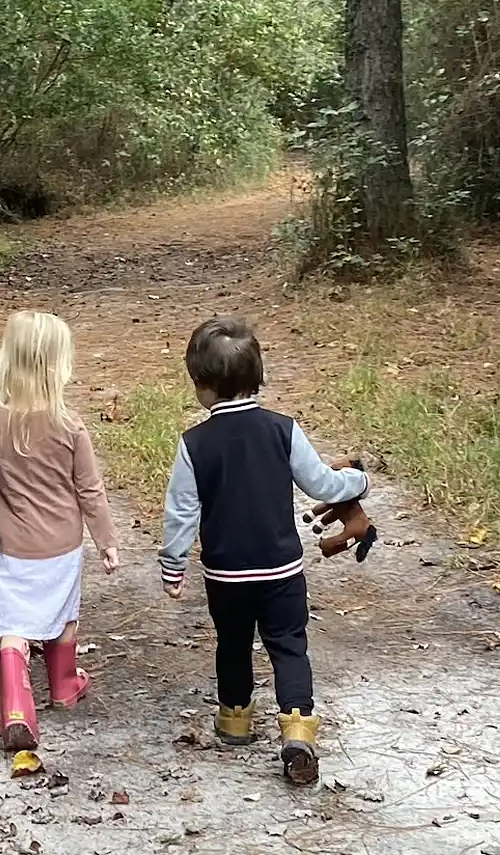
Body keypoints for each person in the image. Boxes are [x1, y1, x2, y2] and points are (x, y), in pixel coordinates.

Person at [158, 315, 370, 784]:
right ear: (257, 377)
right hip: (281, 571)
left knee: (233, 645)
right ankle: (298, 728)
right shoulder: (283, 429)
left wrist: (173, 565)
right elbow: (322, 482)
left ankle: (235, 718)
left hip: (226, 575)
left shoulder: (194, 444)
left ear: (201, 385)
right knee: (289, 646)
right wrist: (359, 481)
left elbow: (181, 514)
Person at [0, 310, 121, 752]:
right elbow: (91, 490)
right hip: (62, 547)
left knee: (14, 626)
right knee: (64, 617)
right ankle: (64, 686)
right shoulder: (70, 426)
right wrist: (106, 541)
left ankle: (16, 710)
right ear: (58, 366)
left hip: (14, 550)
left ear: (9, 362)